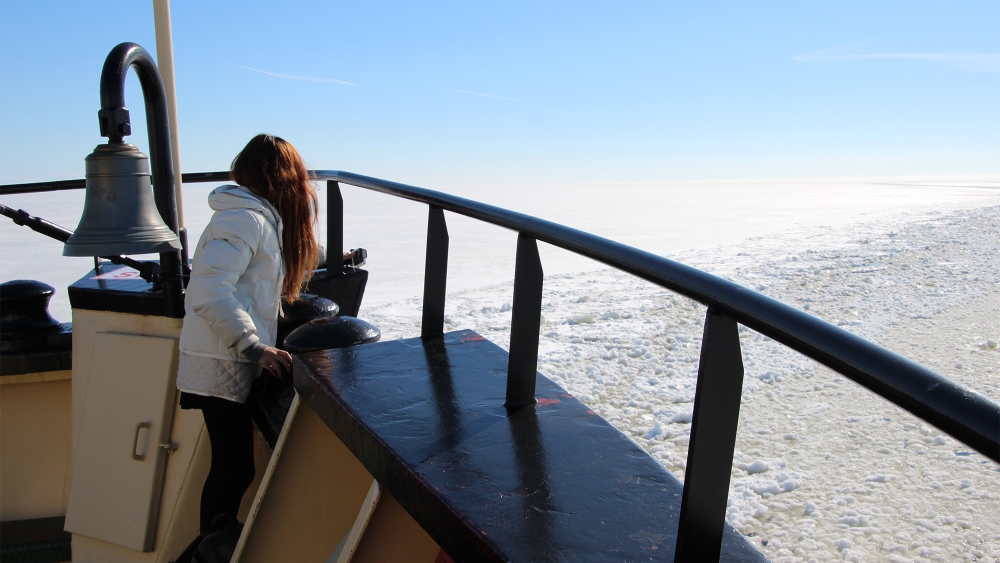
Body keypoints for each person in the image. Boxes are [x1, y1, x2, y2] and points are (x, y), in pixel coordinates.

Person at [175, 134, 319, 540]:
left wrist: (333, 257)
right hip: (220, 361)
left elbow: (265, 264)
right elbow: (207, 290)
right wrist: (252, 347)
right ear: (284, 178)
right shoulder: (244, 219)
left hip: (221, 358)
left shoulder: (255, 218)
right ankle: (211, 547)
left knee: (229, 466)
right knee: (234, 469)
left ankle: (211, 544)